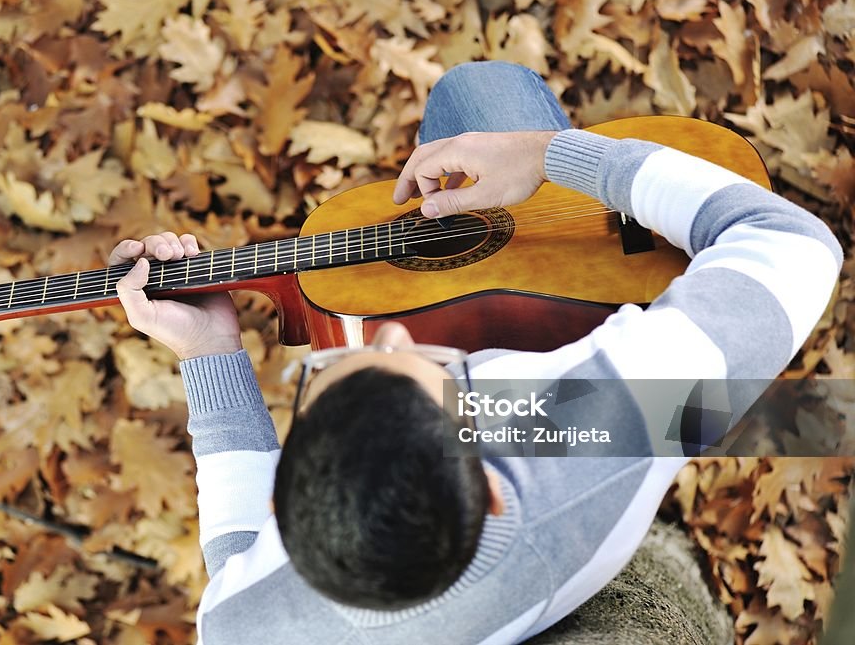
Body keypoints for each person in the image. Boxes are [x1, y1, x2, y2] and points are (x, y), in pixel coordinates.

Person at [110, 61, 842, 644]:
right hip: (602, 461)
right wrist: (548, 154)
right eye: (431, 371)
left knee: (473, 99)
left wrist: (209, 349)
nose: (391, 333)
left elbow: (241, 563)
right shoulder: (595, 426)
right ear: (492, 484)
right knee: (487, 96)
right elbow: (791, 244)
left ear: (290, 505)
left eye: (335, 371)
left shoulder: (236, 629)